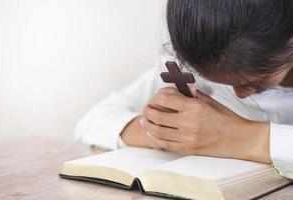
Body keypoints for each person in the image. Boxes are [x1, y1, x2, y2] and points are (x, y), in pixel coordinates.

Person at [75, 0, 293, 179]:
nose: (240, 95)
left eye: (255, 81)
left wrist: (242, 137)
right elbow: (92, 121)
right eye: (224, 83)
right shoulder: (199, 57)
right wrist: (164, 132)